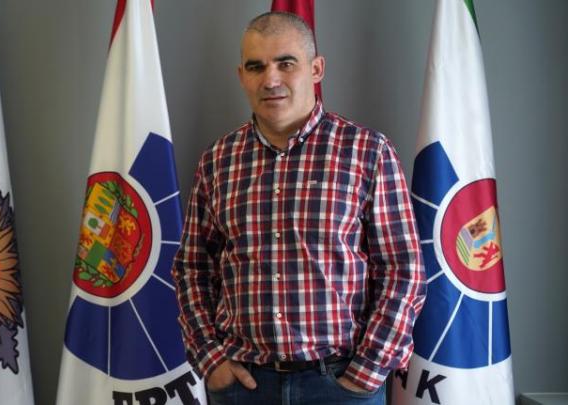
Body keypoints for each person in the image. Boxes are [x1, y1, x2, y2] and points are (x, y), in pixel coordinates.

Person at [172, 11, 426, 405]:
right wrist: (210, 358)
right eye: (256, 67)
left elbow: (402, 268)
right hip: (243, 387)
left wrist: (367, 371)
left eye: (286, 63)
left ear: (316, 68)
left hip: (340, 385)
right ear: (241, 76)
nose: (270, 79)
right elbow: (193, 267)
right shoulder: (218, 160)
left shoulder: (367, 152)